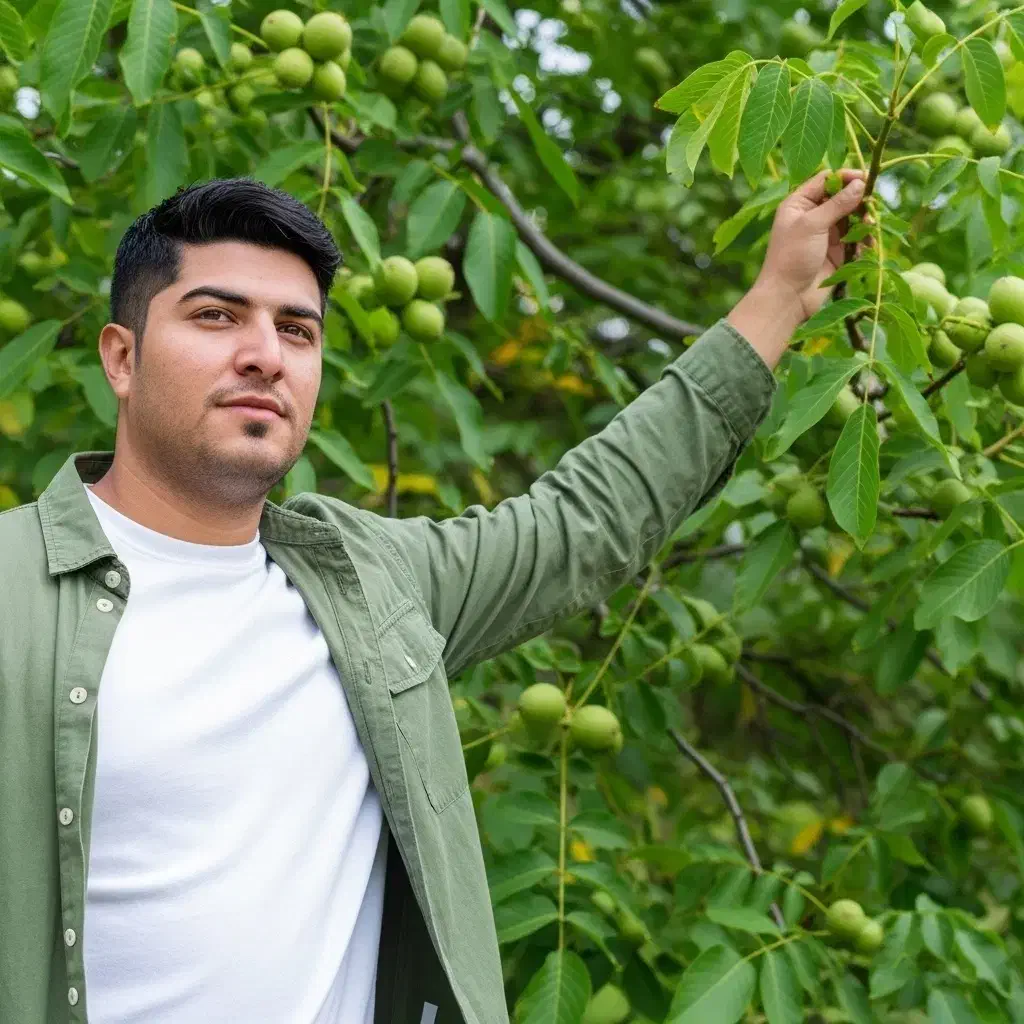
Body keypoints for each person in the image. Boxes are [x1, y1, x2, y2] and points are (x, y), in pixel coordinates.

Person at [0, 169, 866, 1024]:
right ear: (122, 357)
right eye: (217, 316)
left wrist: (781, 296)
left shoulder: (370, 583)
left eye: (298, 331)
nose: (265, 353)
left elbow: (586, 519)